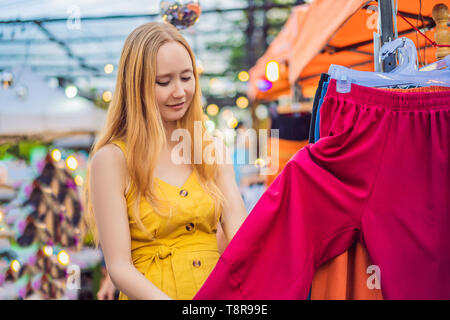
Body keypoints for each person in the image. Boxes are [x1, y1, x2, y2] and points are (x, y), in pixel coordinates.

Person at [84, 22, 247, 300]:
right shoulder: (112, 160)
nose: (180, 92)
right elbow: (120, 267)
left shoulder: (211, 149)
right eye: (164, 81)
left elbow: (243, 237)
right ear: (136, 86)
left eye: (186, 77)